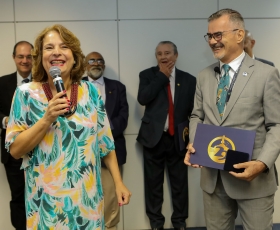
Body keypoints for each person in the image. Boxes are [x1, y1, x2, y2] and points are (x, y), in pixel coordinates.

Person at [5, 24, 131, 230]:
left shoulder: (91, 92)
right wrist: (46, 119)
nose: (56, 52)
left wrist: (118, 183)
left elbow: (106, 144)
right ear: (40, 57)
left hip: (87, 201)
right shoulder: (24, 94)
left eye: (64, 47)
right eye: (49, 48)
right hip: (45, 205)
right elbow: (16, 151)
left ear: (74, 56)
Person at [184, 8, 280, 230]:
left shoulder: (267, 74)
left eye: (219, 35)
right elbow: (197, 115)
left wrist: (262, 163)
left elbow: (276, 125)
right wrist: (194, 143)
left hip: (253, 179)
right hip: (213, 180)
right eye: (209, 36)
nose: (213, 41)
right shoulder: (203, 76)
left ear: (239, 35)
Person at [137, 41, 196, 230]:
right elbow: (143, 98)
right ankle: (156, 223)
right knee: (153, 185)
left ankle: (180, 222)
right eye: (159, 54)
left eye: (167, 53)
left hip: (179, 139)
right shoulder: (147, 75)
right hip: (153, 137)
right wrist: (161, 77)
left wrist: (193, 138)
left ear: (176, 56)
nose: (163, 57)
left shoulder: (188, 79)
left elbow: (193, 111)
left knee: (180, 184)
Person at [83, 51, 129, 230]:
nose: (96, 63)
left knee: (110, 200)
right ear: (85, 65)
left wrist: (101, 132)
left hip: (111, 151)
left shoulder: (117, 87)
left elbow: (123, 118)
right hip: (82, 152)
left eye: (100, 60)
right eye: (92, 60)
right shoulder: (75, 86)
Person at [0, 40, 33, 230]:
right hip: (12, 152)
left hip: (39, 151)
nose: (25, 60)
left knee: (40, 195)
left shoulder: (43, 83)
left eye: (29, 56)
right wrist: (6, 122)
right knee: (18, 197)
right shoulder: (2, 83)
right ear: (14, 58)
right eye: (20, 56)